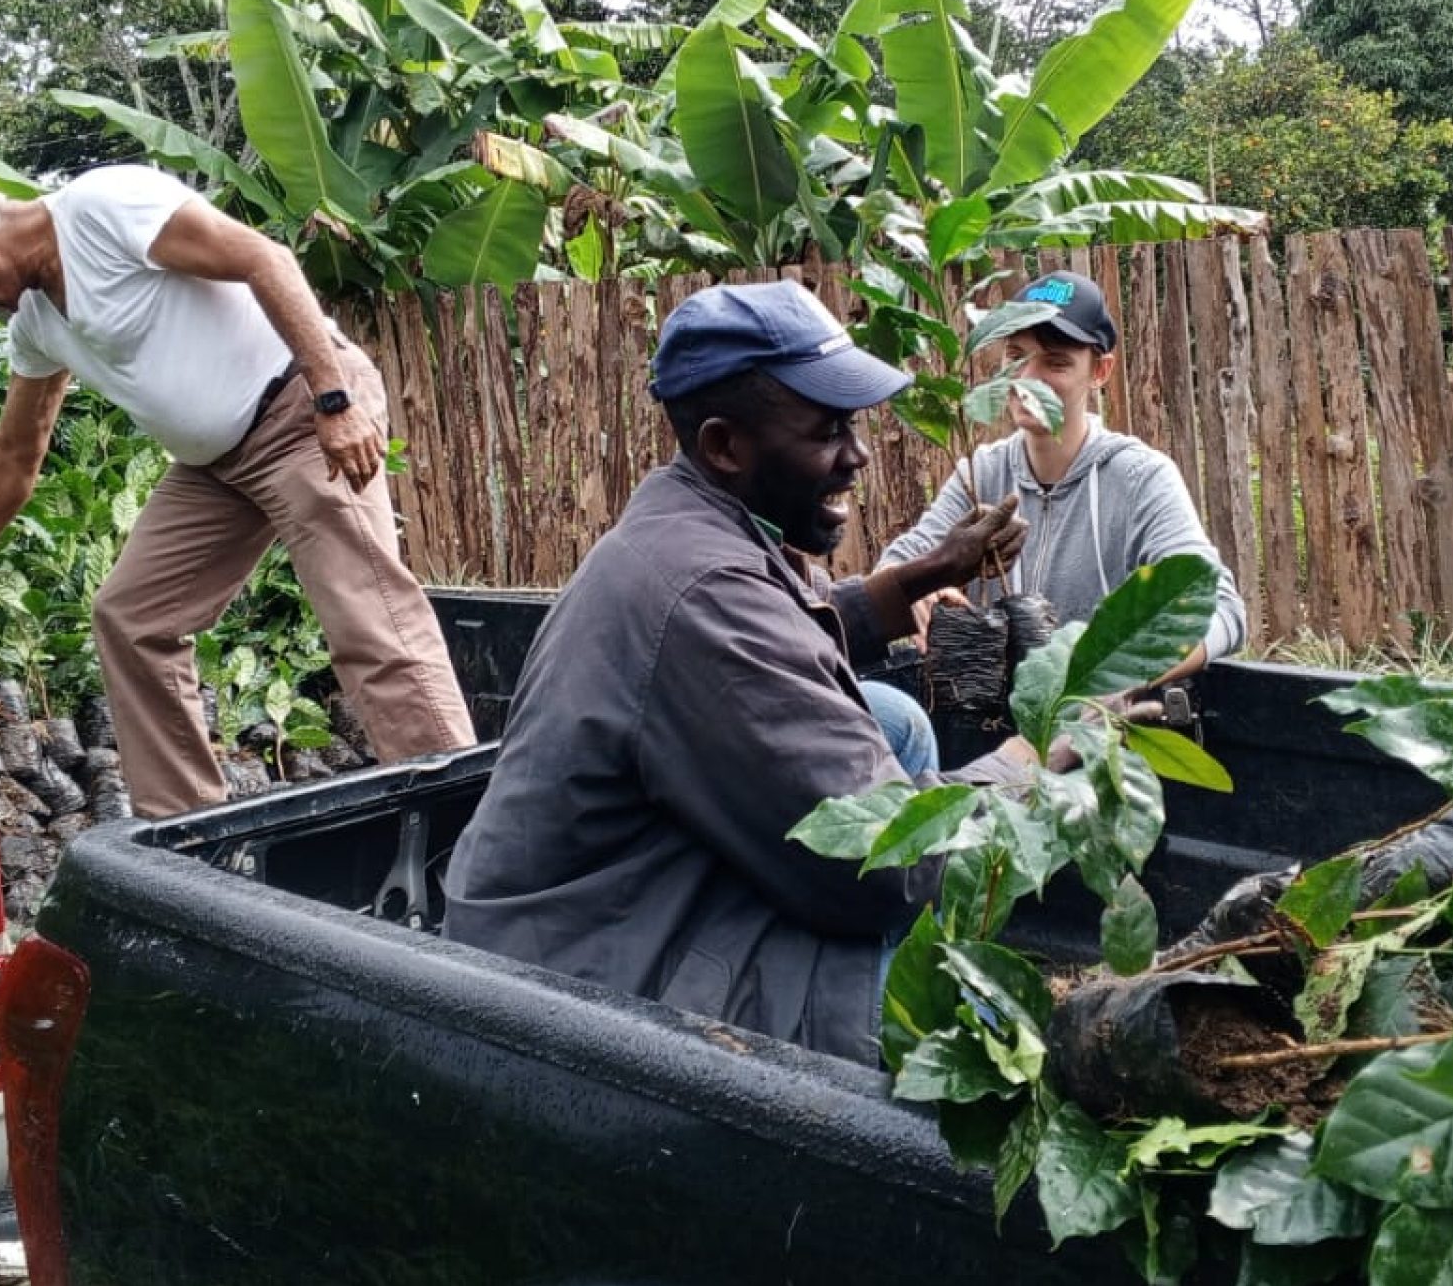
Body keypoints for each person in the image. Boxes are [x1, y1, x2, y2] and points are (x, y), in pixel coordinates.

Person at [441, 280, 1031, 1064]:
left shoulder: (687, 521)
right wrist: (1030, 766)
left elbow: (797, 627)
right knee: (954, 987)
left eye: (851, 425)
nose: (856, 456)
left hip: (604, 901)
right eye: (826, 432)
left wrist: (926, 574)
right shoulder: (704, 591)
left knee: (889, 719)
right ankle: (881, 1066)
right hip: (576, 985)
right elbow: (892, 864)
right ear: (725, 446)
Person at [0, 163, 476, 816]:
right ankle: (188, 836)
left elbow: (263, 258)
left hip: (300, 415)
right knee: (133, 619)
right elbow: (16, 450)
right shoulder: (36, 324)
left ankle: (465, 828)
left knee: (369, 621)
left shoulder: (103, 208)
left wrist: (332, 400)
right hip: (215, 468)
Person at [878, 271, 1246, 678]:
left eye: (1056, 363)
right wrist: (918, 590)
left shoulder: (1140, 478)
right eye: (1015, 356)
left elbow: (1219, 609)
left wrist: (1109, 678)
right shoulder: (981, 472)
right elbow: (897, 563)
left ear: (1101, 371)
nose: (1028, 381)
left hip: (1099, 728)